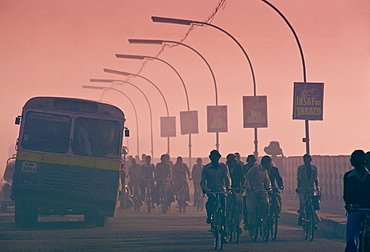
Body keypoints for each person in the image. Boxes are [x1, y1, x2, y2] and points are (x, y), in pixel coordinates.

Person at [343, 150, 370, 252]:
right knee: (351, 238)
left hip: (368, 209)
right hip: (355, 210)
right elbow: (346, 195)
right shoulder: (349, 176)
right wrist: (349, 205)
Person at [200, 150, 231, 224]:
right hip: (211, 190)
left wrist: (228, 188)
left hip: (221, 190)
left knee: (223, 207)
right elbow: (203, 180)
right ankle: (209, 215)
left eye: (216, 157)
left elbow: (227, 178)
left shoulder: (223, 167)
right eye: (213, 157)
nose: (215, 159)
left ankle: (224, 224)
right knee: (210, 201)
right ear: (210, 158)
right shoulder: (206, 168)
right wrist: (204, 189)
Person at [245, 157, 271, 236]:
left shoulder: (265, 170)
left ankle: (266, 216)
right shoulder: (256, 168)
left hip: (261, 189)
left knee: (266, 202)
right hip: (253, 189)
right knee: (252, 208)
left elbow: (267, 180)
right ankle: (251, 224)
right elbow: (247, 177)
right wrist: (248, 187)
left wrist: (268, 188)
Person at [296, 154, 320, 226]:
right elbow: (299, 179)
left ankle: (314, 221)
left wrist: (317, 187)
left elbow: (316, 178)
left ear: (310, 160)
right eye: (304, 159)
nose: (306, 161)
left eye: (307, 159)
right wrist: (298, 188)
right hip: (303, 188)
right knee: (302, 204)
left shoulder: (314, 168)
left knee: (313, 205)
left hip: (312, 188)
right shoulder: (300, 168)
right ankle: (301, 216)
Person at [242, 154, 257, 230]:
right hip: (246, 190)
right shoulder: (244, 168)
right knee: (245, 207)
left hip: (256, 189)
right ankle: (246, 221)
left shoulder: (257, 168)